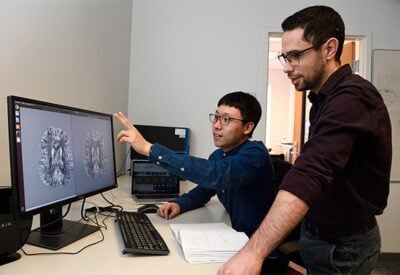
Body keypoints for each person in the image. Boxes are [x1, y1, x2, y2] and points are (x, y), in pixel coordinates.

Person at [218, 5, 392, 275]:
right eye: (284, 57)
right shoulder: (321, 99)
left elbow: (311, 171)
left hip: (342, 245)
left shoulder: (352, 98)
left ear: (330, 48)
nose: (287, 67)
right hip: (319, 234)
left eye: (296, 56)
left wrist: (253, 253)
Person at [114, 91, 276, 238]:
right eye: (216, 117)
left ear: (248, 127)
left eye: (226, 119)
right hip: (235, 236)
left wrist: (149, 149)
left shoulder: (256, 154)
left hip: (258, 245)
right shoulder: (219, 155)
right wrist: (180, 203)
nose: (216, 125)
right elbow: (205, 189)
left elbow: (217, 174)